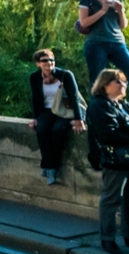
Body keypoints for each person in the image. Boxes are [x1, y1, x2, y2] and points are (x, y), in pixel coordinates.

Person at [87, 69, 129, 254]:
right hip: (116, 160)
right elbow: (109, 134)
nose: (123, 85)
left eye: (124, 82)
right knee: (111, 200)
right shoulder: (99, 105)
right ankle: (108, 239)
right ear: (104, 85)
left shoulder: (124, 105)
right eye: (118, 82)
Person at [28, 49, 86, 185]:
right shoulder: (34, 77)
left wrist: (79, 119)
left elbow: (75, 97)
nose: (49, 63)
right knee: (41, 130)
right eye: (45, 60)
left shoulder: (65, 75)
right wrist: (35, 118)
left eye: (51, 60)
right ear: (38, 63)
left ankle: (49, 168)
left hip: (64, 111)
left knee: (57, 131)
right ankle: (50, 166)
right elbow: (36, 99)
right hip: (47, 111)